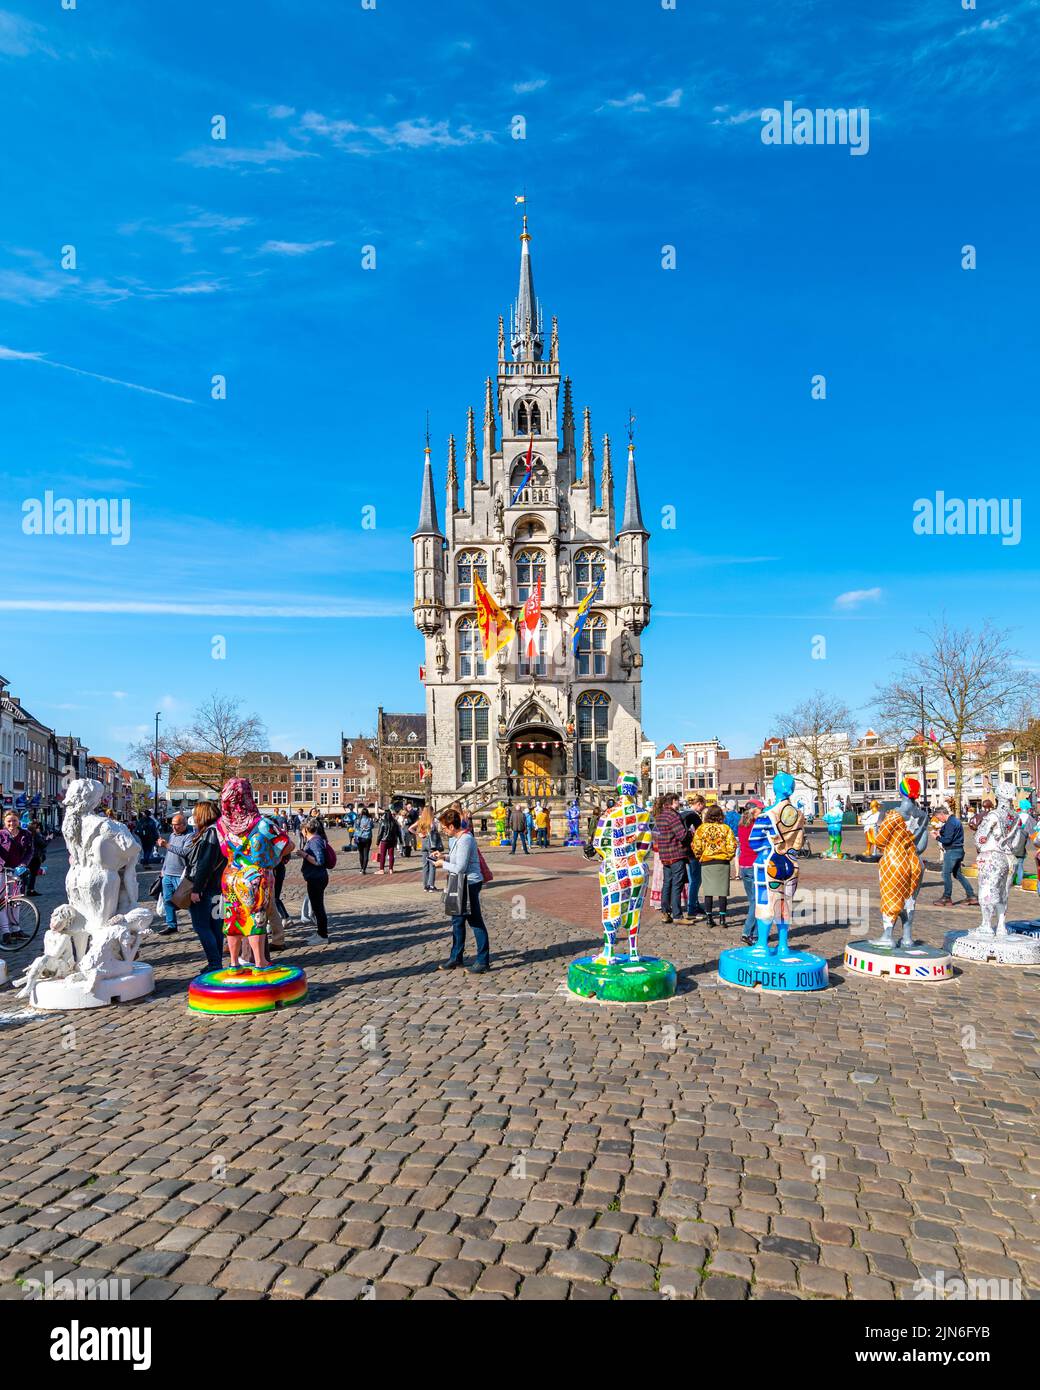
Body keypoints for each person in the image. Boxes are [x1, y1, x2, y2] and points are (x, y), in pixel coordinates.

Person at [216, 778, 291, 971]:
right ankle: (260, 962)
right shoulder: (262, 823)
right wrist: (272, 860)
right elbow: (287, 844)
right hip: (255, 877)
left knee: (233, 917)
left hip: (230, 876)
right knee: (257, 918)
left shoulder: (221, 824)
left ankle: (234, 962)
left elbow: (225, 851)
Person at [432, 806, 488, 973]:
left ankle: (483, 960)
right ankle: (456, 957)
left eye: (444, 828)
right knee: (457, 921)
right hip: (459, 883)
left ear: (451, 826)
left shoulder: (465, 839)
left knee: (475, 921)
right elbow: (457, 858)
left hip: (469, 883)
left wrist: (443, 864)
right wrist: (444, 856)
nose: (443, 831)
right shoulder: (456, 839)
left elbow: (461, 867)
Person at [185, 801, 227, 972]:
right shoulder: (221, 831)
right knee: (216, 926)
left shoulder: (209, 833)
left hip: (206, 887)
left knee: (202, 926)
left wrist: (196, 889)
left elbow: (204, 864)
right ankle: (216, 961)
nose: (194, 818)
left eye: (196, 814)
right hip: (219, 886)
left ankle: (214, 962)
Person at [692, 803, 738, 927]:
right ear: (720, 815)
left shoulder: (702, 829)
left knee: (708, 891)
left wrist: (700, 856)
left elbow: (696, 845)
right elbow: (732, 844)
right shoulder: (725, 828)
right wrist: (728, 856)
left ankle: (709, 919)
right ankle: (722, 919)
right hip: (722, 861)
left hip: (707, 861)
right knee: (722, 891)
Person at [652, 794, 689, 925]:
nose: (679, 803)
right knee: (677, 885)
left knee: (667, 883)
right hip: (675, 853)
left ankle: (665, 912)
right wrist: (689, 832)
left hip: (665, 855)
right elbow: (681, 835)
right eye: (678, 800)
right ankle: (678, 915)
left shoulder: (660, 815)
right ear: (673, 801)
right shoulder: (672, 815)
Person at [157, 811, 195, 936]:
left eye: (177, 825)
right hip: (168, 873)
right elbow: (170, 854)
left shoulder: (189, 836)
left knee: (187, 901)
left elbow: (185, 852)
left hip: (181, 875)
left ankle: (197, 924)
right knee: (168, 900)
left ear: (184, 824)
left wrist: (167, 845)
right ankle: (171, 925)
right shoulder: (173, 835)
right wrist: (164, 868)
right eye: (172, 824)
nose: (173, 827)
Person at [0, 810, 34, 945]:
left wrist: (23, 864)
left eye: (14, 820)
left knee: (15, 901)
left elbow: (30, 851)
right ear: (4, 822)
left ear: (18, 821)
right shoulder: (1, 834)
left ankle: (16, 929)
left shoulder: (26, 834)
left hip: (16, 871)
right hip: (2, 870)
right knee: (2, 902)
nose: (12, 823)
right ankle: (5, 932)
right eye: (9, 821)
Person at [933, 806, 976, 907]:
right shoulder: (955, 821)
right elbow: (947, 831)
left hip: (952, 851)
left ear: (942, 814)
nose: (939, 820)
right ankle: (971, 896)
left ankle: (946, 897)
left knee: (945, 874)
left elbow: (947, 840)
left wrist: (937, 837)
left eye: (938, 818)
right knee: (958, 874)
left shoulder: (950, 823)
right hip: (959, 851)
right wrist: (940, 832)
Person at [301, 817, 330, 945]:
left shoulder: (315, 841)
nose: (301, 831)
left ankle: (323, 935)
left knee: (318, 908)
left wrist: (304, 855)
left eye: (302, 829)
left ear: (307, 829)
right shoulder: (315, 840)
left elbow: (319, 860)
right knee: (316, 907)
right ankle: (320, 933)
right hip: (315, 877)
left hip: (317, 878)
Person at [737, 802, 761, 943]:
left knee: (752, 900)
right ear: (753, 812)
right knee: (756, 901)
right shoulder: (756, 826)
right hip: (754, 864)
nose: (761, 813)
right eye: (759, 810)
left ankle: (757, 934)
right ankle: (747, 932)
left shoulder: (741, 825)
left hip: (744, 864)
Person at [679, 795, 705, 921]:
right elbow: (700, 833)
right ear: (699, 804)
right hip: (693, 852)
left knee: (692, 880)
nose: (703, 808)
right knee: (696, 880)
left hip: (684, 851)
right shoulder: (693, 816)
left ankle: (696, 905)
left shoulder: (682, 814)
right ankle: (691, 909)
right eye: (703, 805)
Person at [417, 805, 443, 891]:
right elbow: (438, 831)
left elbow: (412, 829)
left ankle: (425, 886)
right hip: (432, 845)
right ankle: (431, 885)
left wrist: (420, 834)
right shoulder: (433, 821)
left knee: (425, 865)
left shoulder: (421, 820)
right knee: (432, 865)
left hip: (424, 843)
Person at [24, 817, 46, 895]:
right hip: (35, 856)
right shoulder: (35, 834)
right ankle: (30, 890)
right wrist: (48, 839)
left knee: (25, 873)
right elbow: (43, 844)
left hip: (26, 857)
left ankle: (22, 890)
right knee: (33, 874)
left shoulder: (25, 834)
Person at [376, 804, 400, 874]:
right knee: (391, 855)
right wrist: (400, 840)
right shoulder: (394, 822)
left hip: (384, 840)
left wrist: (377, 842)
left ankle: (381, 869)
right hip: (392, 840)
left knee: (383, 855)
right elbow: (398, 832)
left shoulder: (383, 822)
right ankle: (391, 869)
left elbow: (380, 833)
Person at [355, 805, 374, 873]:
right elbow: (372, 826)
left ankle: (361, 868)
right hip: (367, 838)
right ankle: (364, 869)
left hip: (360, 838)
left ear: (361, 813)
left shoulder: (358, 820)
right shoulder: (370, 820)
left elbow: (356, 828)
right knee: (366, 853)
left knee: (361, 854)